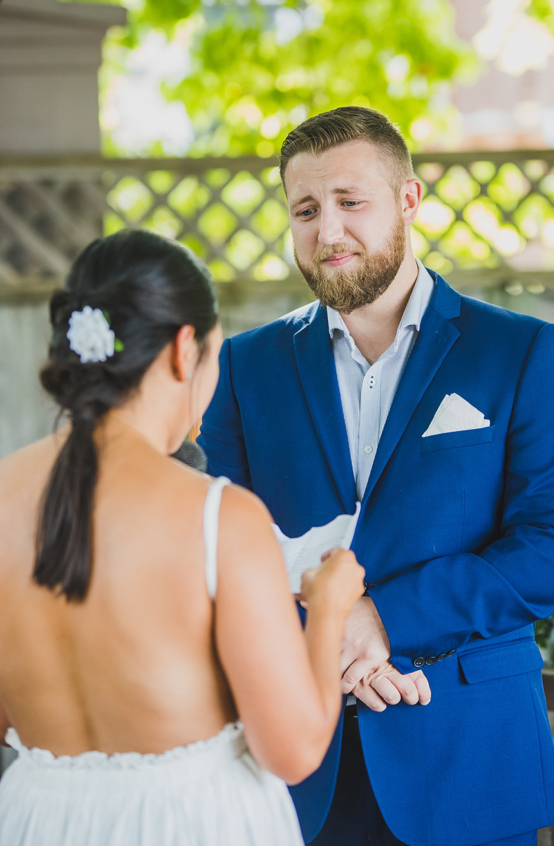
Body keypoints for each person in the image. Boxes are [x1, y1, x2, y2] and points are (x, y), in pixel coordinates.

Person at [198, 106, 554, 846]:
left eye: (351, 202)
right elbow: (214, 544)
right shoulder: (244, 367)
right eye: (306, 209)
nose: (327, 232)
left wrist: (379, 619)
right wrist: (329, 644)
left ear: (408, 201)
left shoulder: (519, 351)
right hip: (292, 765)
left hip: (467, 755)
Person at [0, 228, 365, 846]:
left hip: (41, 821)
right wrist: (329, 607)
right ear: (184, 349)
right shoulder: (218, 515)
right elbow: (294, 750)